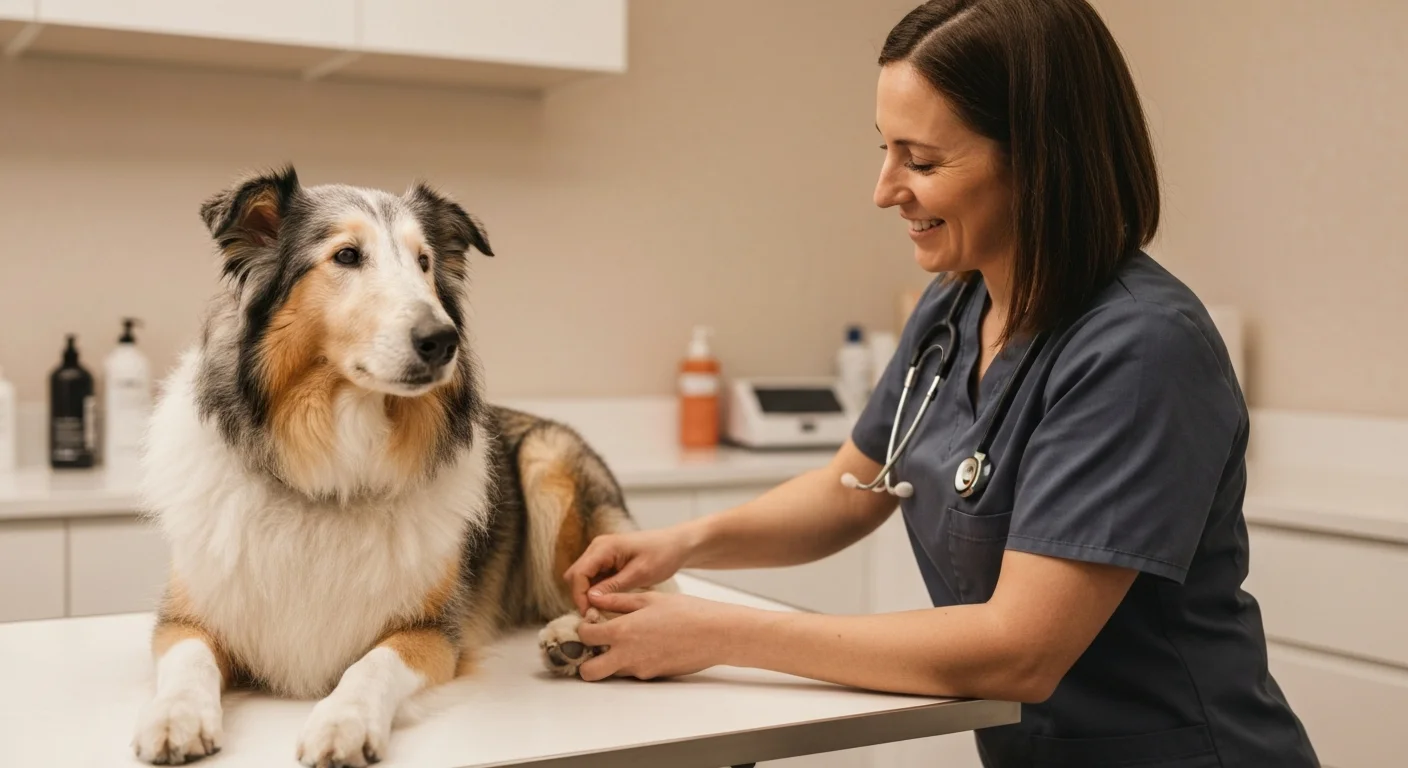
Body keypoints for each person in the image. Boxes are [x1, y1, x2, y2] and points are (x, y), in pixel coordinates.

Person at [564, 1, 1320, 765]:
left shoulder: (1141, 349)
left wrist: (720, 635)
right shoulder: (955, 307)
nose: (885, 189)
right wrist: (678, 545)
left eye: (921, 161)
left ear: (1040, 160)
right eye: (886, 150)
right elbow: (847, 491)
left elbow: (1019, 649)